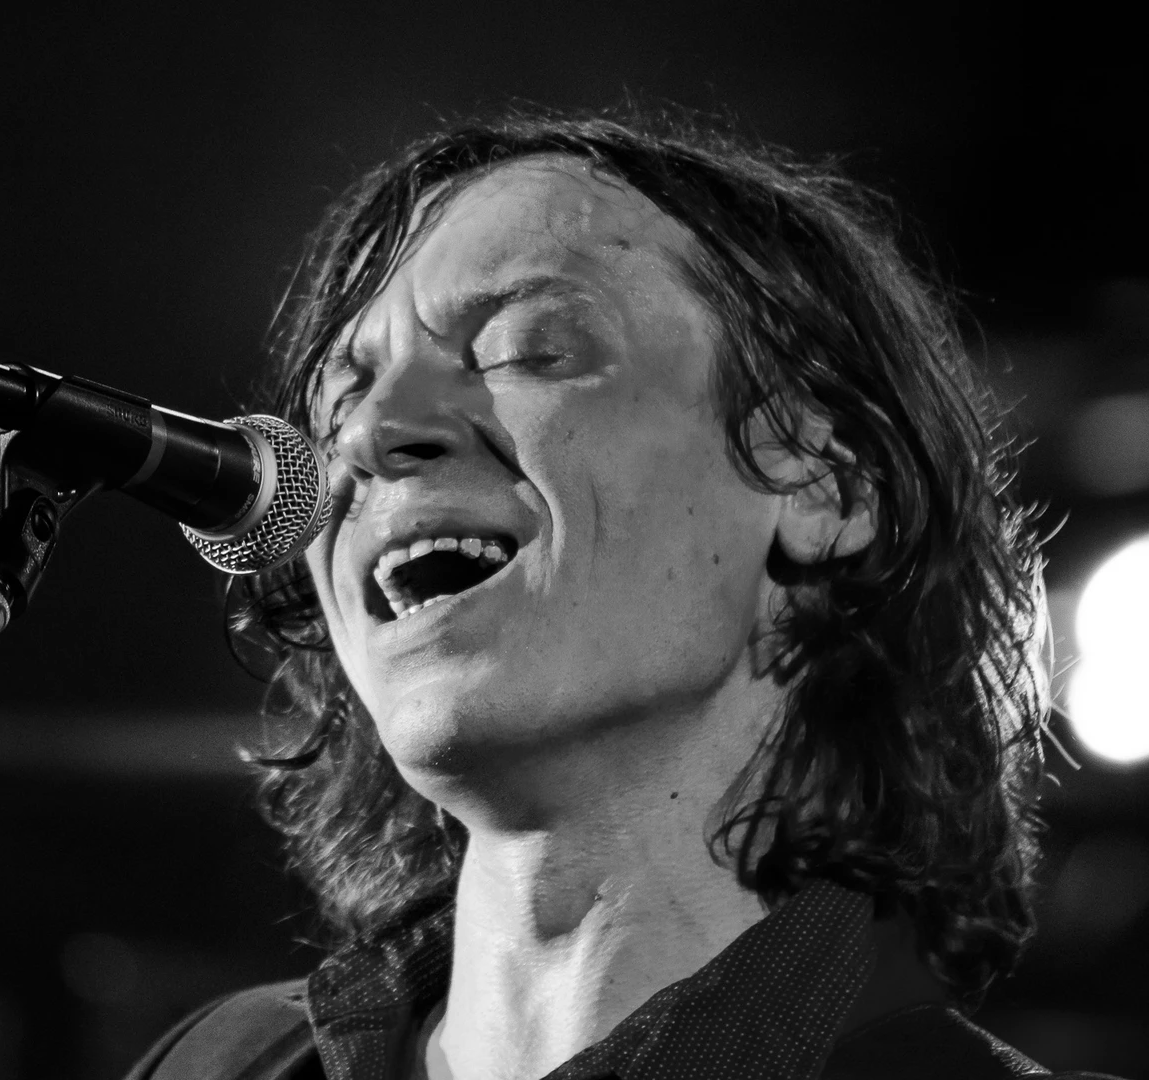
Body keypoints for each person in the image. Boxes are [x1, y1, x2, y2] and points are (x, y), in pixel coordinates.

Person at [124, 110, 1117, 1080]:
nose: (373, 432)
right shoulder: (220, 1063)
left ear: (829, 487)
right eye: (343, 397)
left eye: (527, 348)